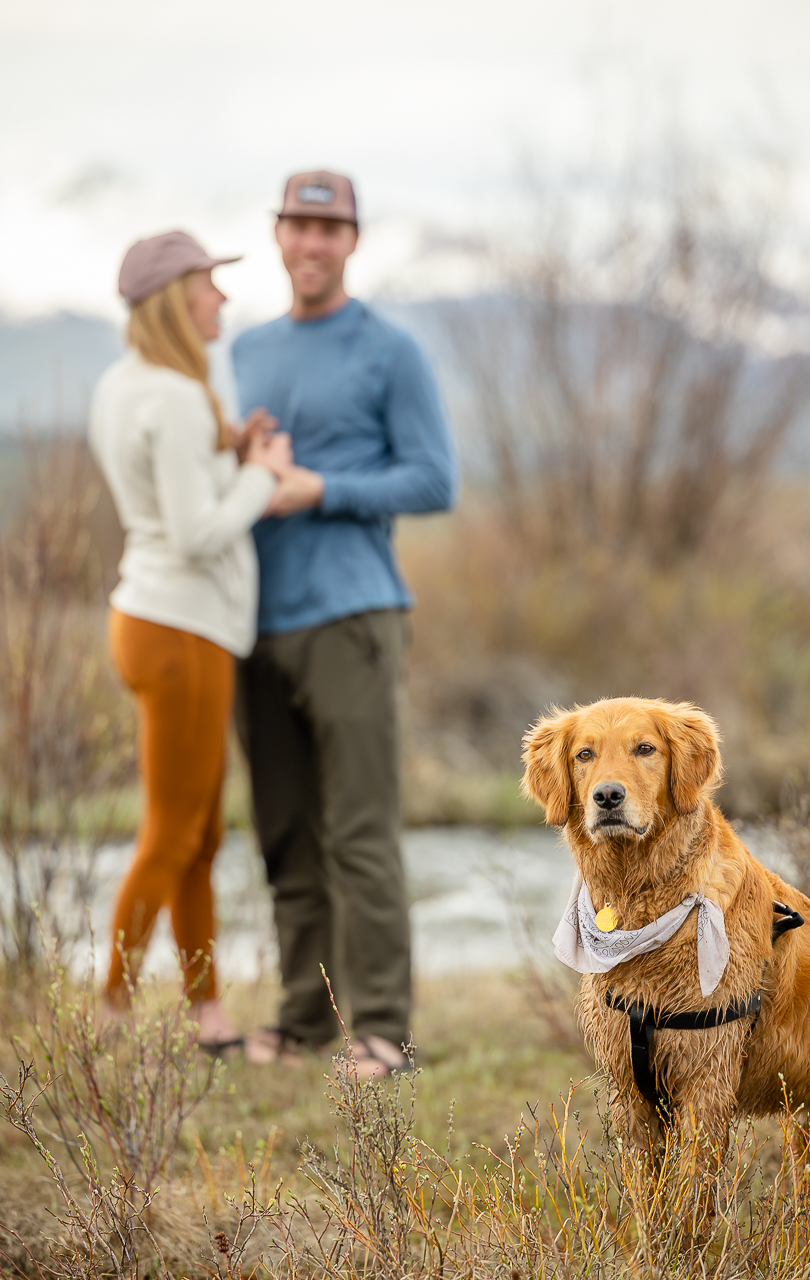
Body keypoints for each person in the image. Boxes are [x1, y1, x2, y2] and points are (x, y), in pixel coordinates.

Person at [232, 170, 457, 1076]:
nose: (314, 244)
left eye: (332, 229)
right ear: (278, 235)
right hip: (254, 625)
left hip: (353, 617)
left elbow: (433, 479)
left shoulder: (389, 350)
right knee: (285, 830)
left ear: (352, 241)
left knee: (359, 832)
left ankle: (382, 1030)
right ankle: (302, 1017)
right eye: (299, 226)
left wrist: (320, 487)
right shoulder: (246, 350)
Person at [90, 230, 291, 1049]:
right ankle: (111, 1009)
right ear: (178, 298)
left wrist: (230, 449)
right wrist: (263, 472)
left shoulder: (131, 385)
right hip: (180, 630)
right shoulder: (174, 396)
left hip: (161, 622)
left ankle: (206, 1014)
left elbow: (167, 485)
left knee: (199, 833)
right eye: (210, 285)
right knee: (173, 833)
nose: (222, 299)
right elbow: (197, 529)